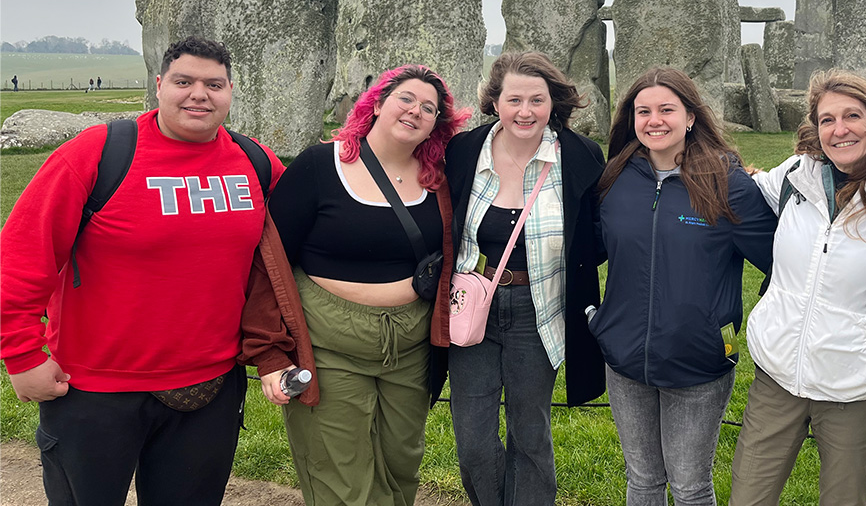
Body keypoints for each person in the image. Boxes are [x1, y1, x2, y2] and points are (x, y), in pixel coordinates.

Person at [0, 36, 285, 505]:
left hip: (208, 385)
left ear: (231, 91)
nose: (199, 94)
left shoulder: (253, 161)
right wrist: (22, 354)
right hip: (93, 387)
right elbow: (22, 253)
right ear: (159, 85)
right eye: (184, 81)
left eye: (214, 84)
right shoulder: (97, 154)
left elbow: (311, 224)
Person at [240, 65, 468, 506]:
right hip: (329, 344)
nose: (415, 111)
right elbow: (269, 261)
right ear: (378, 103)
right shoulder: (319, 166)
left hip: (409, 346)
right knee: (342, 475)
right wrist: (269, 351)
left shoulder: (438, 180)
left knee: (402, 463)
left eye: (429, 108)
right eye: (406, 99)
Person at [592, 67, 776, 506]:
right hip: (623, 355)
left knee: (691, 486)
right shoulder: (615, 179)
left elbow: (781, 261)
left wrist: (733, 323)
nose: (654, 120)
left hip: (702, 357)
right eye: (643, 111)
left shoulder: (727, 184)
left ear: (691, 116)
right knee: (642, 480)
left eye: (666, 109)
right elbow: (591, 250)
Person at [729, 70, 866, 506]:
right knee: (747, 499)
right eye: (827, 119)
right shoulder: (796, 176)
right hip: (777, 374)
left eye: (852, 116)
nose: (839, 129)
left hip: (852, 383)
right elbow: (742, 190)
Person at [445, 51, 607, 506]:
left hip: (541, 307)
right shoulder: (465, 150)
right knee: (473, 439)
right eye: (514, 99)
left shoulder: (578, 156)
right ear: (495, 102)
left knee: (530, 432)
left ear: (552, 103)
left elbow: (596, 234)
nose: (526, 111)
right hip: (473, 306)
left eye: (537, 100)